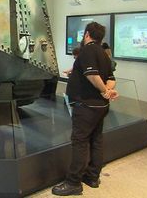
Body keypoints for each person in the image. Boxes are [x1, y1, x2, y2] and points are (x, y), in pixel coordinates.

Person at [52, 22, 118, 196]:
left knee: (80, 141)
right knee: (96, 139)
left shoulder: (88, 50)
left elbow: (92, 75)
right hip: (100, 106)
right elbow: (111, 78)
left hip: (86, 106)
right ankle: (92, 177)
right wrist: (108, 91)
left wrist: (104, 91)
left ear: (87, 34)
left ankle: (74, 182)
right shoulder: (103, 53)